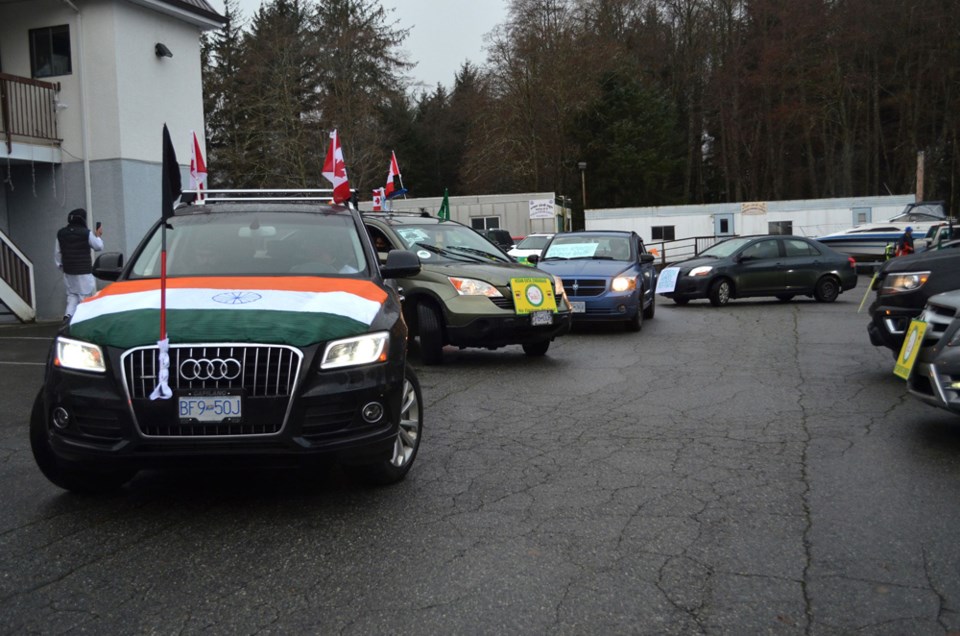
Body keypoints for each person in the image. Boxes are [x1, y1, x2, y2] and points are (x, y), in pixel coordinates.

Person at [54, 208, 103, 321]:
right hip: (84, 272)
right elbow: (98, 246)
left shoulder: (61, 233)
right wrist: (98, 235)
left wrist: (62, 267)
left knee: (72, 296)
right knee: (84, 298)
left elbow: (57, 253)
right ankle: (84, 321)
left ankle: (68, 317)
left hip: (68, 271)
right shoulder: (86, 233)